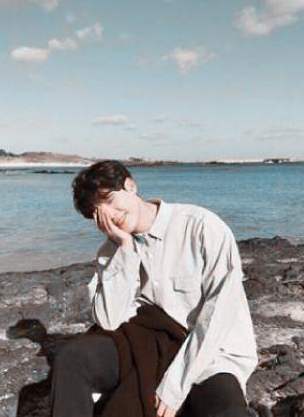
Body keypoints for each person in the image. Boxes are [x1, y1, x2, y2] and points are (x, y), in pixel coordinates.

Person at [51, 160, 258, 417]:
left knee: (228, 410)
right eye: (100, 213)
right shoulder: (111, 251)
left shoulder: (200, 226)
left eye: (111, 200)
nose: (111, 215)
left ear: (130, 186)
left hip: (210, 353)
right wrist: (125, 249)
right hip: (148, 344)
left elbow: (220, 315)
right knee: (73, 357)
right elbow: (109, 320)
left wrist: (174, 388)